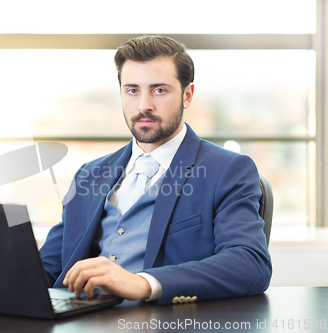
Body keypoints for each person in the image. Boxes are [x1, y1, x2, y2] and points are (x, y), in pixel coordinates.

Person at [38, 35, 272, 305]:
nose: (143, 105)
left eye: (159, 90)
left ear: (187, 95)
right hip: (79, 321)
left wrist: (144, 283)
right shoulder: (90, 173)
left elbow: (250, 263)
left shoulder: (228, 170)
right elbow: (48, 268)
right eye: (132, 90)